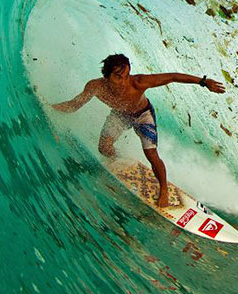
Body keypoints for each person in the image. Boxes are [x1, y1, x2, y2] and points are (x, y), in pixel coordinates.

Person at [51, 54, 225, 207]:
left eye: (126, 75)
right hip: (120, 115)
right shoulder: (95, 86)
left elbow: (172, 77)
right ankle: (119, 160)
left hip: (143, 116)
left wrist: (203, 82)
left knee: (151, 155)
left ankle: (163, 188)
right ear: (106, 75)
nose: (123, 81)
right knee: (104, 148)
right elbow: (75, 105)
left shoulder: (138, 82)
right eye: (118, 77)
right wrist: (49, 106)